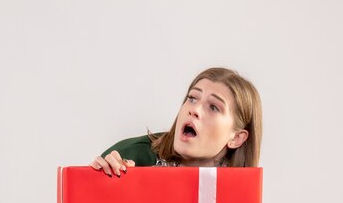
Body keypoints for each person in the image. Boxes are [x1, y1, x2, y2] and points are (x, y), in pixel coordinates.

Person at [90, 67, 262, 176]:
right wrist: (100, 183)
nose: (194, 110)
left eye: (213, 107)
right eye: (193, 98)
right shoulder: (133, 155)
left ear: (236, 138)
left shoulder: (238, 194)